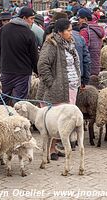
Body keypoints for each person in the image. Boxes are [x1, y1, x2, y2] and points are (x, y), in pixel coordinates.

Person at [37, 19, 81, 160]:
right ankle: (50, 150)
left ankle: (55, 146)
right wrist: (52, 83)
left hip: (70, 88)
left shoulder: (69, 44)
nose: (70, 32)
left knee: (65, 120)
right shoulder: (51, 44)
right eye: (68, 30)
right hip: (57, 89)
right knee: (54, 120)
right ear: (60, 32)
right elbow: (42, 64)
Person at [0, 7, 38, 105]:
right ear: (24, 18)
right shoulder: (29, 33)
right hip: (23, 73)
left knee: (3, 98)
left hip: (6, 71)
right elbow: (34, 55)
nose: (33, 22)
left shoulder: (4, 29)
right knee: (19, 102)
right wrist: (36, 70)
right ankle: (17, 120)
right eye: (31, 18)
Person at [78, 8, 104, 75]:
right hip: (96, 65)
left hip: (87, 68)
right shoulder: (97, 29)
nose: (78, 21)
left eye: (79, 19)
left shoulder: (85, 31)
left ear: (85, 19)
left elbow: (82, 51)